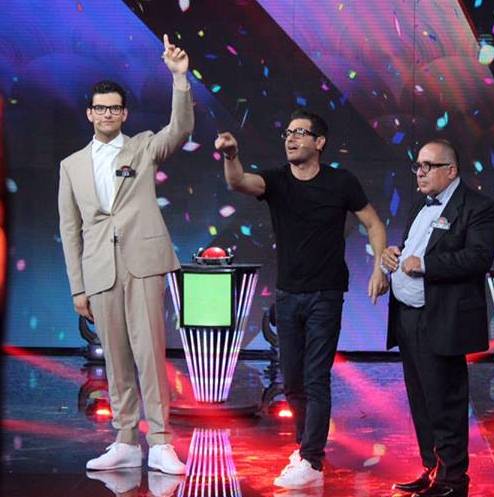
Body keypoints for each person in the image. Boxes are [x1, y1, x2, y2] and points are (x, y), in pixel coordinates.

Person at [215, 109, 389, 489]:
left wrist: (380, 268)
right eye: (288, 133)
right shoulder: (277, 180)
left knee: (315, 377)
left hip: (326, 294)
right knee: (292, 381)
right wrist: (231, 155)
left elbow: (374, 223)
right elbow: (238, 181)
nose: (291, 139)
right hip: (288, 294)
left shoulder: (341, 182)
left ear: (319, 142)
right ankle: (305, 449)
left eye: (300, 133)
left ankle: (312, 459)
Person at [58, 34, 193, 474]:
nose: (108, 114)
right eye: (101, 108)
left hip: (143, 263)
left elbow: (181, 130)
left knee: (149, 353)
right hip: (99, 270)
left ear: (124, 113)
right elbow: (70, 230)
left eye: (115, 108)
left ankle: (161, 440)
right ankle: (125, 439)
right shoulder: (71, 166)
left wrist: (179, 79)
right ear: (90, 113)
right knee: (114, 358)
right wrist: (77, 287)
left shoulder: (143, 146)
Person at [381, 139, 494, 497]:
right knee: (421, 400)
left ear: (451, 170)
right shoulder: (420, 204)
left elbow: (478, 258)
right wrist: (393, 255)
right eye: (417, 165)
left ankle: (452, 479)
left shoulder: (478, 207)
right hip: (408, 316)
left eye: (428, 166)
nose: (420, 172)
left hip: (442, 318)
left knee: (445, 400)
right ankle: (431, 469)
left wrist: (426, 264)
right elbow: (413, 249)